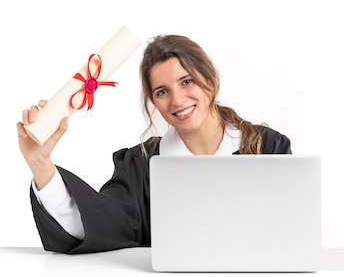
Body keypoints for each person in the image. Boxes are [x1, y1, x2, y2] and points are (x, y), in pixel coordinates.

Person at [17, 34, 292, 254]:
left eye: (187, 82)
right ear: (154, 102)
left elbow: (288, 232)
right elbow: (100, 226)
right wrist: (40, 164)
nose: (178, 100)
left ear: (210, 81)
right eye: (162, 92)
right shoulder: (142, 166)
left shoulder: (266, 148)